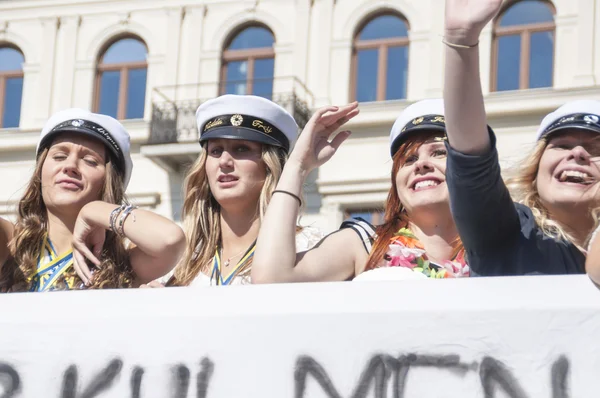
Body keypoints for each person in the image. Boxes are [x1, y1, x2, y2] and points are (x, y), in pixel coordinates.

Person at [442, 0, 600, 275]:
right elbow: (471, 163)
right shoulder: (510, 231)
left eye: (596, 148)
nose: (578, 154)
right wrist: (461, 41)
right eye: (561, 145)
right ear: (535, 170)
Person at [252, 99, 470, 283]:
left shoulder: (495, 247)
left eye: (439, 152)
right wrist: (298, 165)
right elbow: (271, 278)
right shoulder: (365, 244)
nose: (421, 164)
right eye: (409, 159)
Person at [0, 108, 186, 292]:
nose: (70, 166)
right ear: (40, 171)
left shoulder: (125, 264)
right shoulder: (11, 243)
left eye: (90, 161)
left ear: (109, 182)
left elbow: (170, 240)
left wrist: (94, 210)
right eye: (59, 156)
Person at [163, 95, 323, 287]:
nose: (224, 161)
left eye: (241, 149)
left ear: (269, 164)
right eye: (215, 151)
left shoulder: (307, 247)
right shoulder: (179, 263)